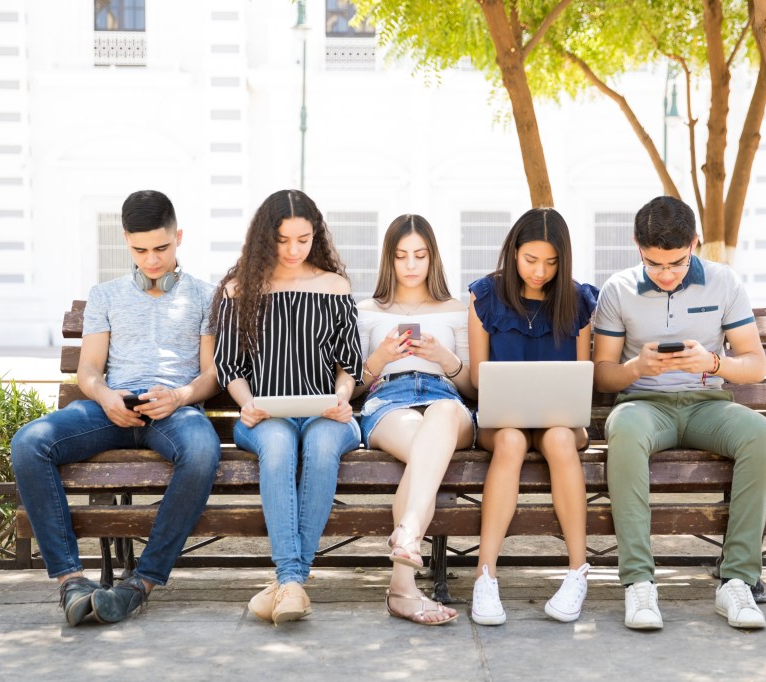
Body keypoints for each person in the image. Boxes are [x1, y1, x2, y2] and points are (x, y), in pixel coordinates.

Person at [11, 190, 221, 626]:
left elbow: (210, 375)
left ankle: (139, 584)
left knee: (202, 452)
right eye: (139, 249)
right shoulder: (104, 295)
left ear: (179, 236)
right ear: (126, 241)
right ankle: (71, 580)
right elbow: (88, 370)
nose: (152, 260)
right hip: (112, 408)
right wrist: (105, 396)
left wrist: (180, 396)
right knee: (29, 442)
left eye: (161, 248)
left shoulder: (206, 295)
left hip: (174, 411)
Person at [592, 195, 766, 630]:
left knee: (759, 433)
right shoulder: (618, 289)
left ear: (695, 243)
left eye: (677, 262)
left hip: (706, 406)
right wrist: (637, 368)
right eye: (655, 264)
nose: (668, 274)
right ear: (638, 246)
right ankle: (639, 583)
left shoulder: (723, 281)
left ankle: (737, 580)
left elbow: (755, 364)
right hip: (644, 407)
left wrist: (713, 364)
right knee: (623, 427)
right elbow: (602, 375)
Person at [212, 189, 362, 625]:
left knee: (320, 445)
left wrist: (341, 397)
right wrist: (248, 404)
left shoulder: (334, 287)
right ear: (264, 238)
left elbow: (349, 363)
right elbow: (229, 366)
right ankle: (292, 581)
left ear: (316, 236)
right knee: (277, 446)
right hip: (263, 416)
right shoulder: (239, 290)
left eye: (304, 239)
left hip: (325, 414)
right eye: (282, 240)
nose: (294, 250)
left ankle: (286, 584)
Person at [467, 207, 599, 625]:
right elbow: (476, 378)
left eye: (551, 262)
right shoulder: (484, 297)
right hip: (502, 422)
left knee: (560, 438)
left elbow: (582, 377)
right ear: (513, 252)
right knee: (510, 439)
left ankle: (578, 571)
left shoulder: (577, 301)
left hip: (561, 422)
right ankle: (485, 577)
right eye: (530, 260)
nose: (540, 271)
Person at [355, 214, 475, 626]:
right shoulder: (367, 310)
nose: (410, 265)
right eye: (401, 255)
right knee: (425, 449)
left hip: (445, 397)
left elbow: (474, 387)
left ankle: (407, 536)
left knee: (439, 418)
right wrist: (380, 359)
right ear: (388, 259)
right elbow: (351, 387)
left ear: (432, 258)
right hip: (388, 400)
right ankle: (402, 584)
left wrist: (446, 359)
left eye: (420, 255)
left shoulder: (458, 309)